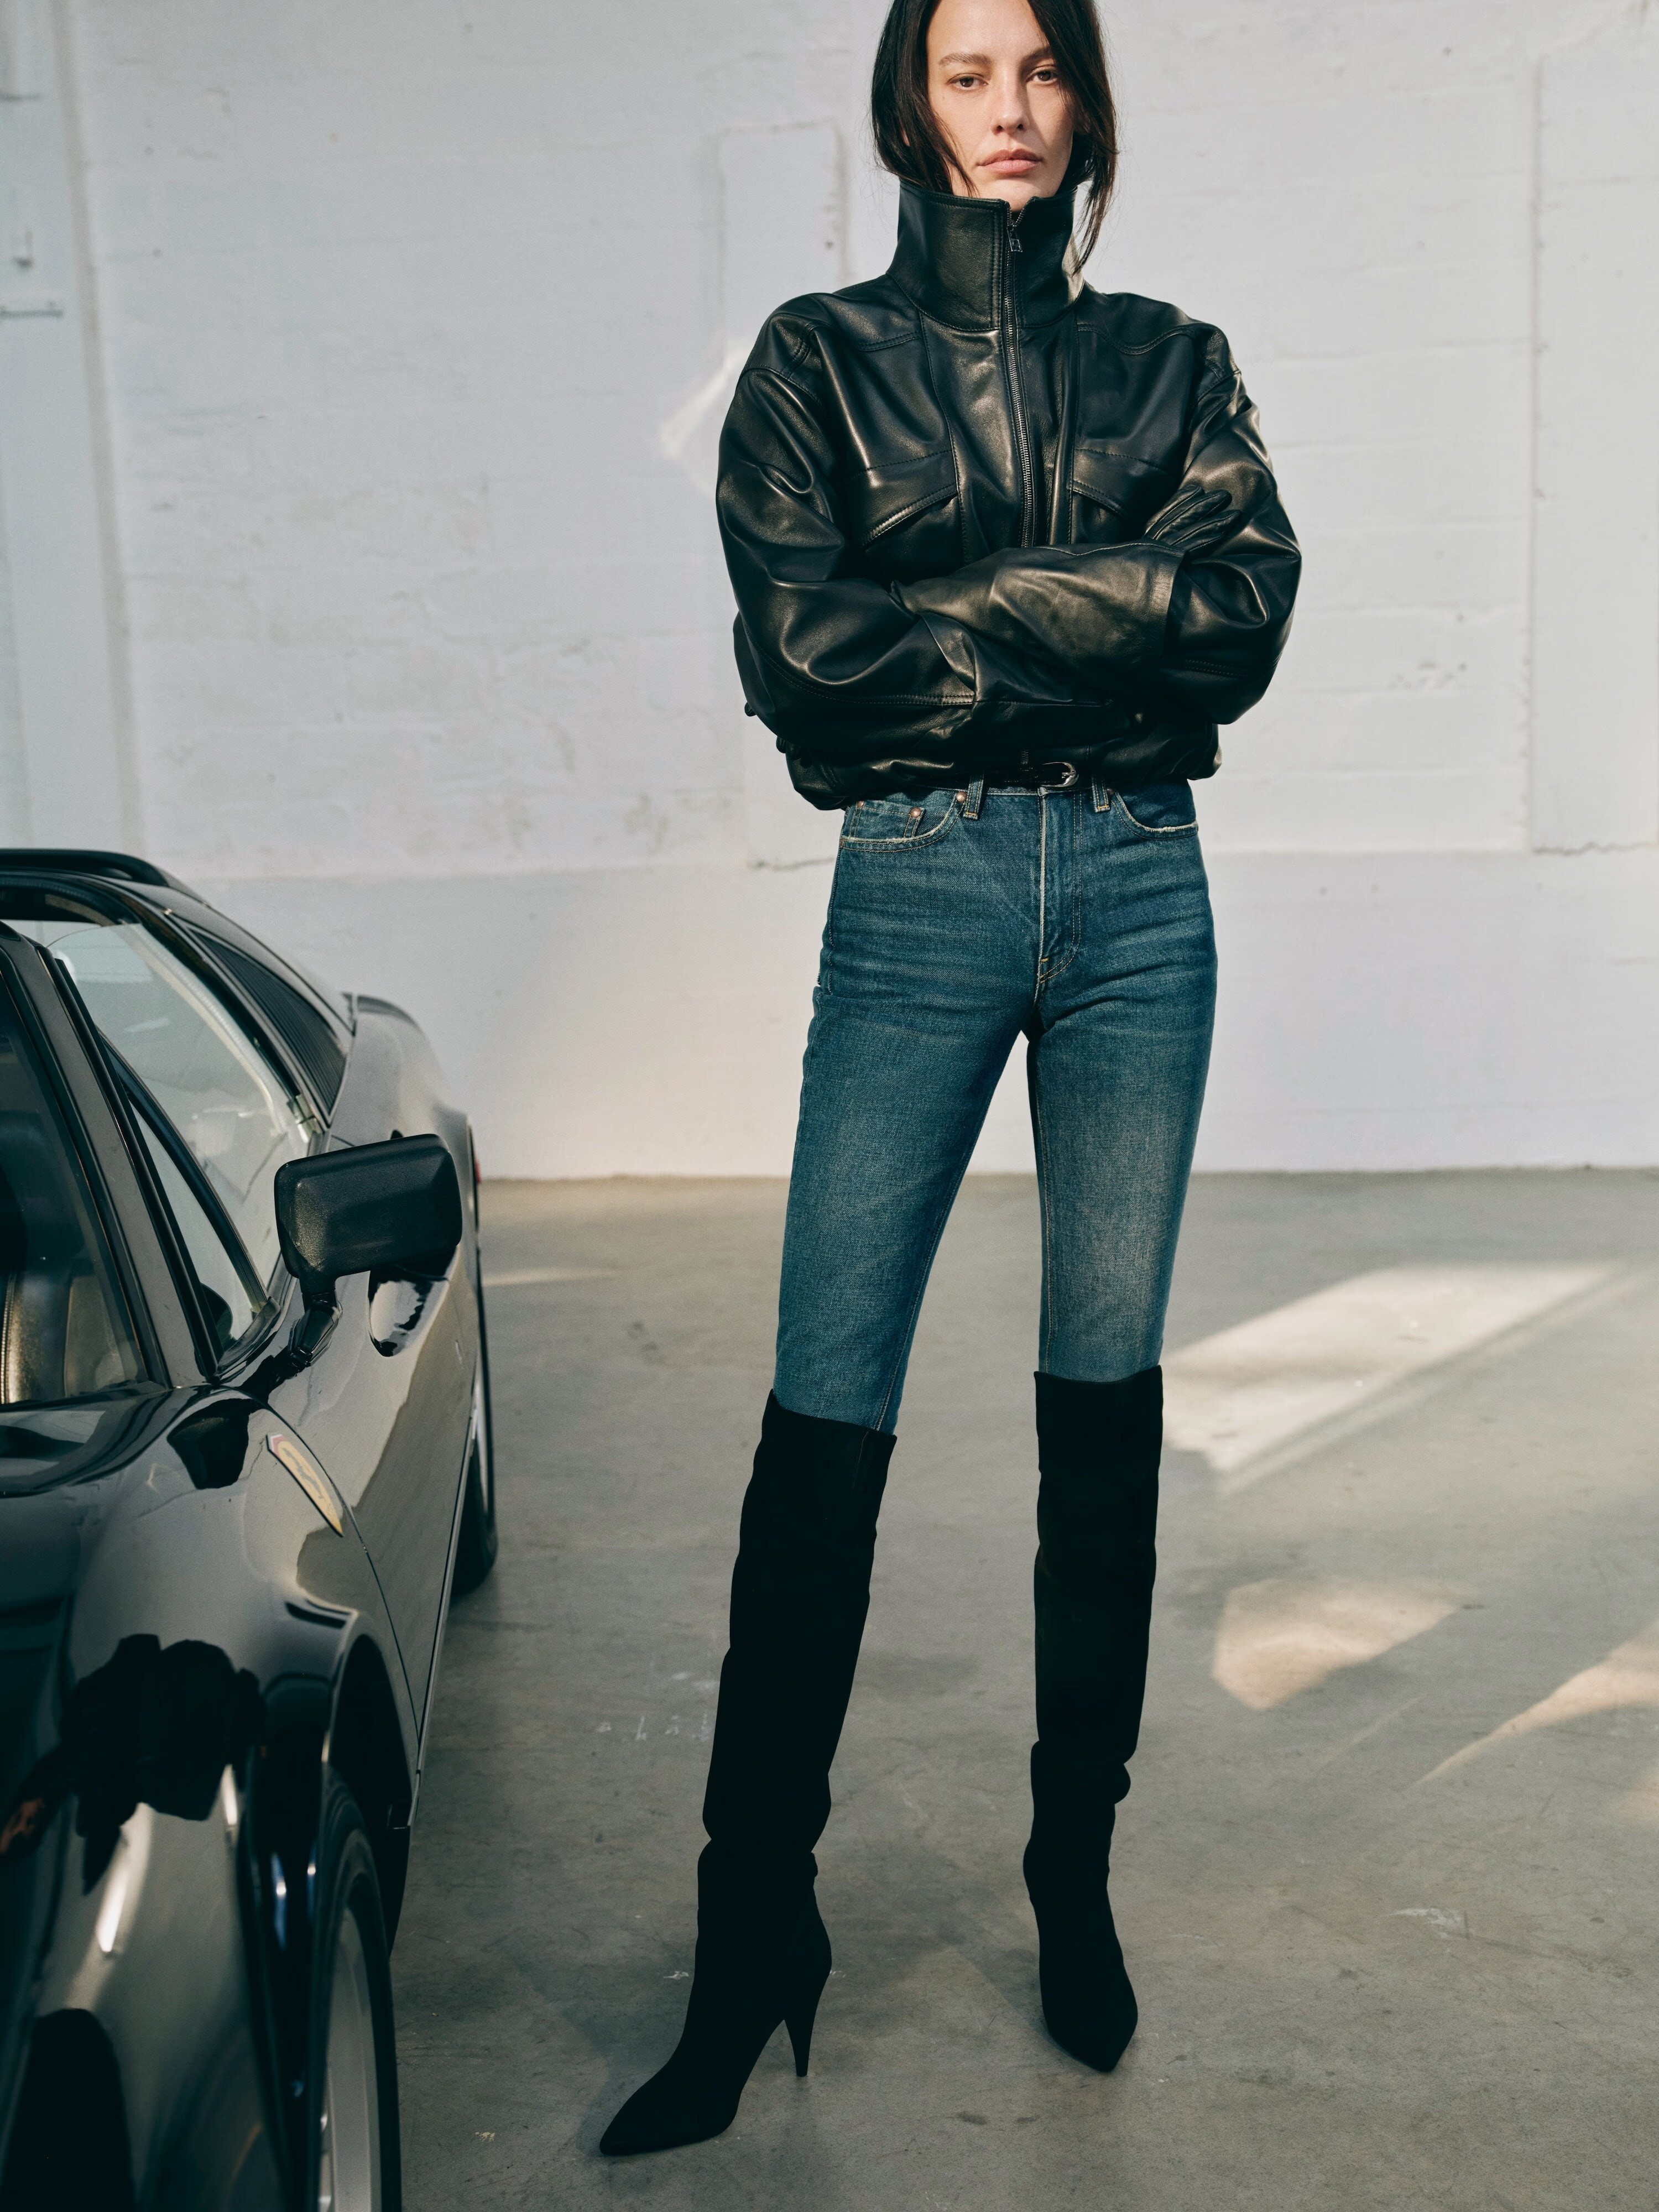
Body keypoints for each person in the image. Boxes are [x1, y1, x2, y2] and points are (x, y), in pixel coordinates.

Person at [601, 0, 1298, 2157]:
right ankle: (749, 1940)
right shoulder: (816, 364)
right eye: (971, 72)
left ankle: (1070, 1875)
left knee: (1106, 1402)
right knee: (825, 1414)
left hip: (1145, 897)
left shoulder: (1173, 359)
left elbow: (1244, 616)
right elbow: (808, 663)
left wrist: (959, 614)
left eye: (1043, 71)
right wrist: (1100, 619)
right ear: (911, 102)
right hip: (917, 893)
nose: (1011, 112)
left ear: (1086, 100)